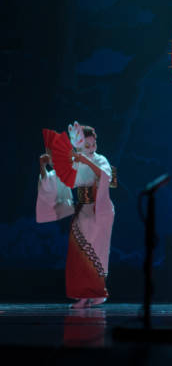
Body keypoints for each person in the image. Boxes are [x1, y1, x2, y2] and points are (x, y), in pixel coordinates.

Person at [36, 122, 115, 309]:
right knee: (78, 253)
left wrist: (86, 160)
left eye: (93, 144)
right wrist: (43, 167)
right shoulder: (73, 163)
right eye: (87, 145)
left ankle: (96, 293)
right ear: (79, 145)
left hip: (100, 211)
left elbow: (106, 178)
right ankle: (82, 295)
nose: (92, 148)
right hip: (83, 210)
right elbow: (52, 180)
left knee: (97, 252)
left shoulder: (100, 159)